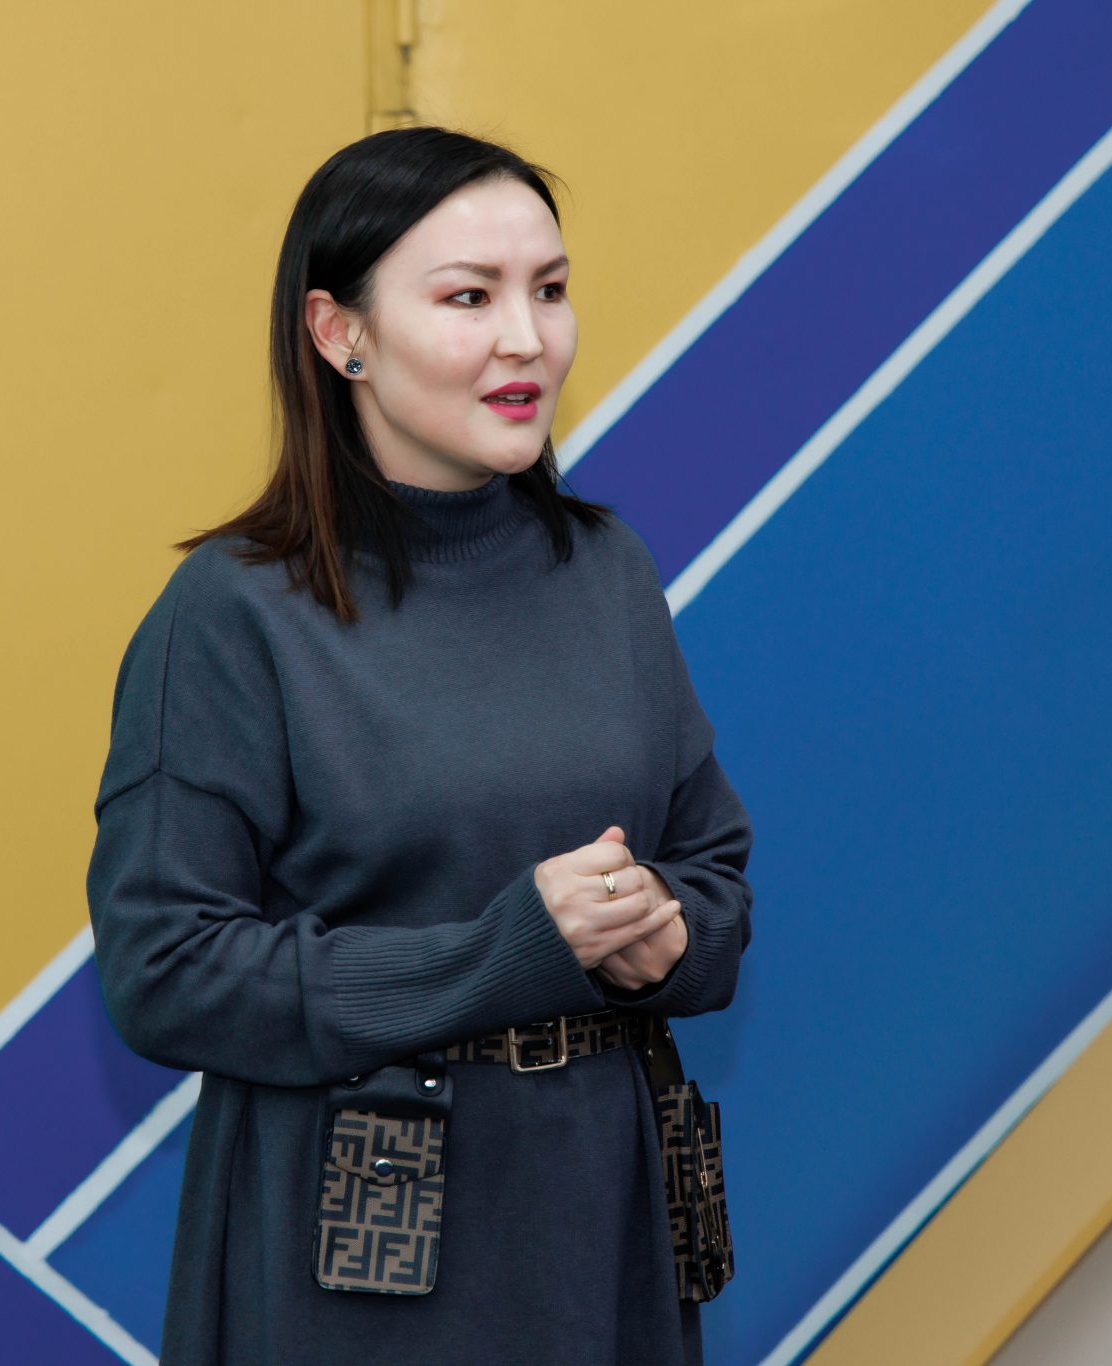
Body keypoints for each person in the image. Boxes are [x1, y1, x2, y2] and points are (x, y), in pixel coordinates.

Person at [85, 125, 754, 1366]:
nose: (526, 338)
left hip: (602, 1213)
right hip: (366, 1246)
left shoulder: (603, 568)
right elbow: (165, 969)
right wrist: (504, 952)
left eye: (548, 290)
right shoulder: (234, 611)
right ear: (339, 333)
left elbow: (712, 872)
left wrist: (667, 937)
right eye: (468, 298)